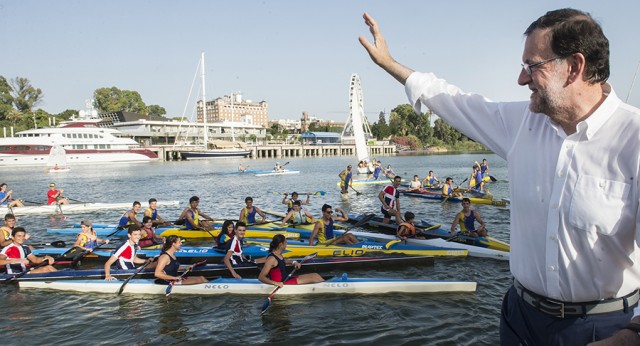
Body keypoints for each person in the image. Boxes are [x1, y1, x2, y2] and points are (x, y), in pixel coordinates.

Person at [360, 9, 640, 344]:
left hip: (605, 328)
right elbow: (453, 101)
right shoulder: (521, 123)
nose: (521, 80)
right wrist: (390, 63)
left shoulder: (633, 139)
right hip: (519, 318)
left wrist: (630, 336)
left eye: (532, 66)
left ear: (574, 67)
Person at [259, 234, 324, 287]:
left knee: (315, 275)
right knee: (313, 278)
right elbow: (261, 277)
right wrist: (276, 283)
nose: (286, 244)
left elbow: (282, 261)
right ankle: (327, 286)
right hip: (282, 283)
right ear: (281, 244)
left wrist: (294, 262)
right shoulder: (271, 259)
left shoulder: (278, 255)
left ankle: (326, 284)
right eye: (285, 242)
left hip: (286, 279)